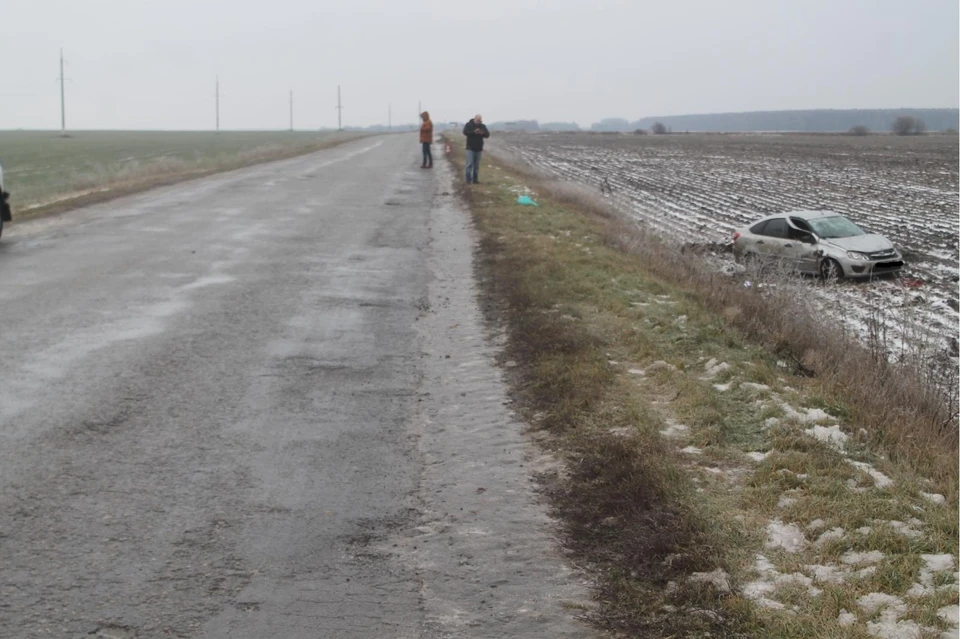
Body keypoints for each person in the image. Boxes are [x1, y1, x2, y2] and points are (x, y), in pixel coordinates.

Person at [462, 115, 490, 184]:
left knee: (476, 165)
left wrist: (482, 133)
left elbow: (487, 135)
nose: (478, 122)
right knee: (469, 164)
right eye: (477, 121)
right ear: (474, 119)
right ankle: (468, 180)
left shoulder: (483, 126)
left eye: (480, 121)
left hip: (479, 148)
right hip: (470, 148)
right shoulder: (468, 125)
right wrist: (474, 132)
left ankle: (475, 180)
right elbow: (465, 132)